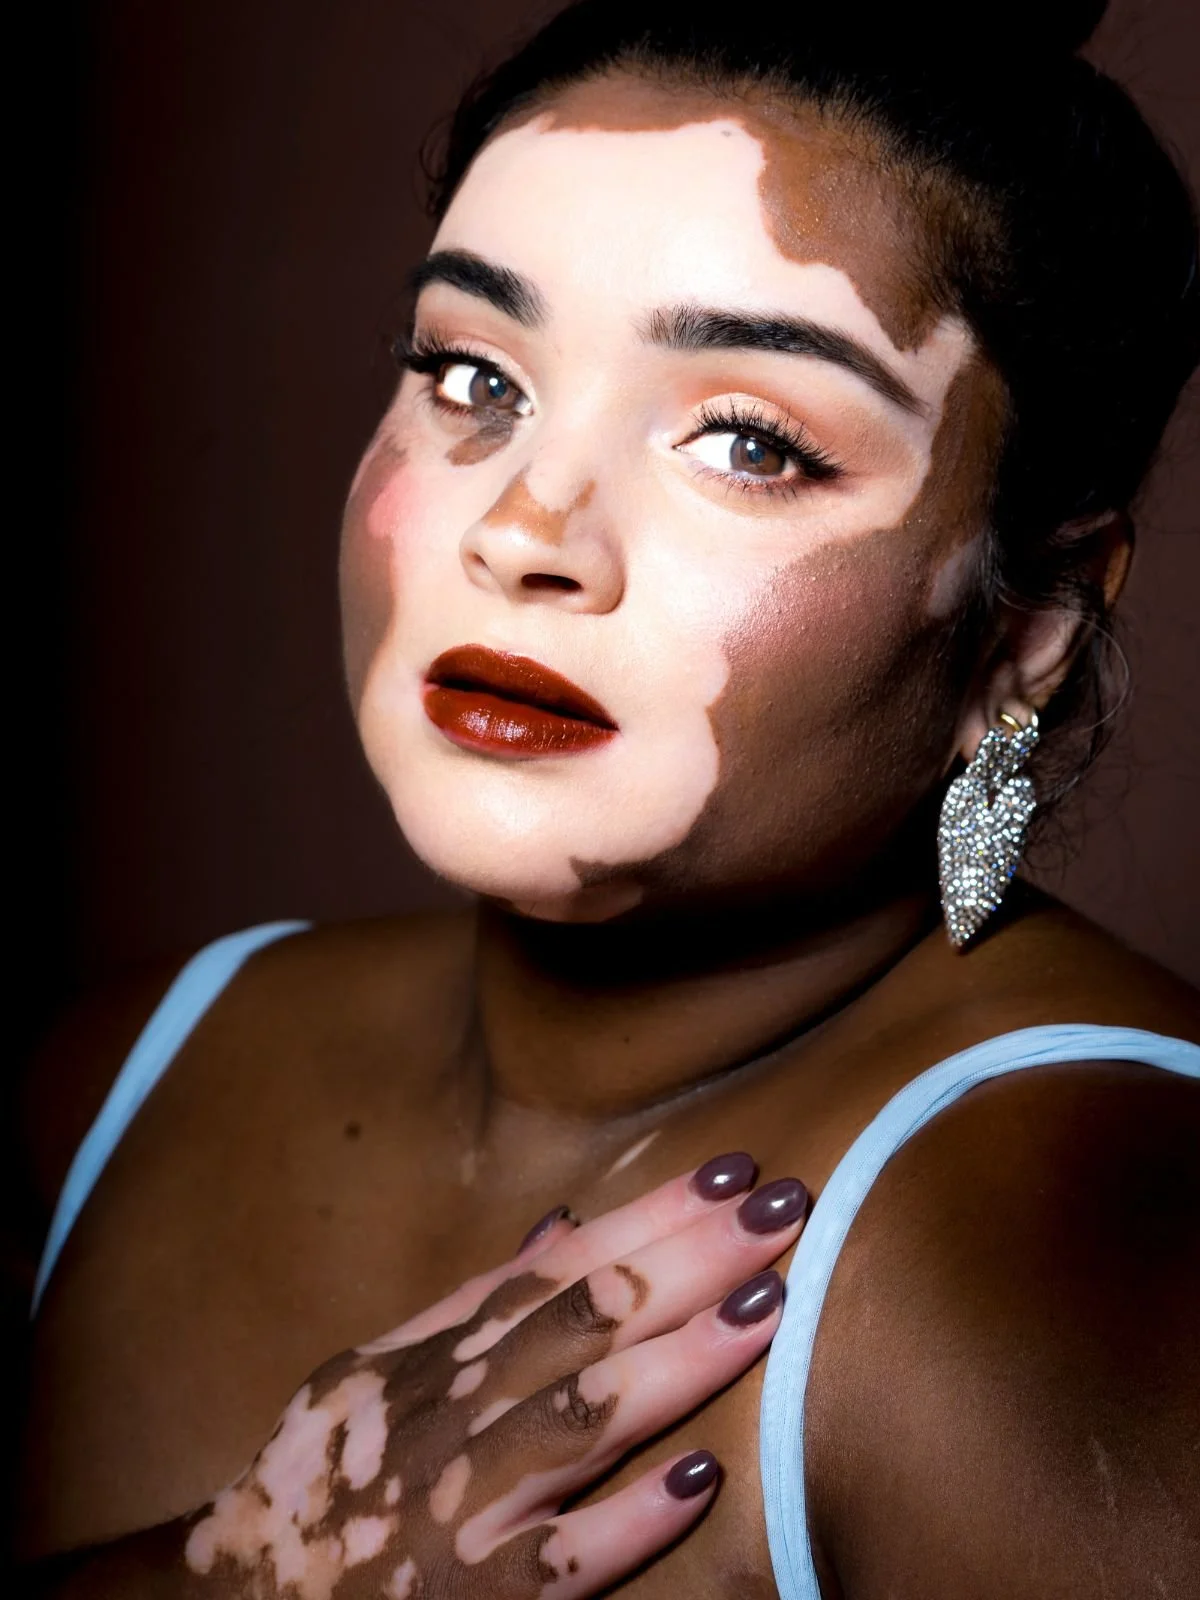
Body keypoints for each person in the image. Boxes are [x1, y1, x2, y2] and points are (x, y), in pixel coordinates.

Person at [17, 1, 1200, 1595]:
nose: (527, 527)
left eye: (748, 440)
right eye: (472, 374)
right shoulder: (117, 1078)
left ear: (1026, 626)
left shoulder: (1071, 1255)